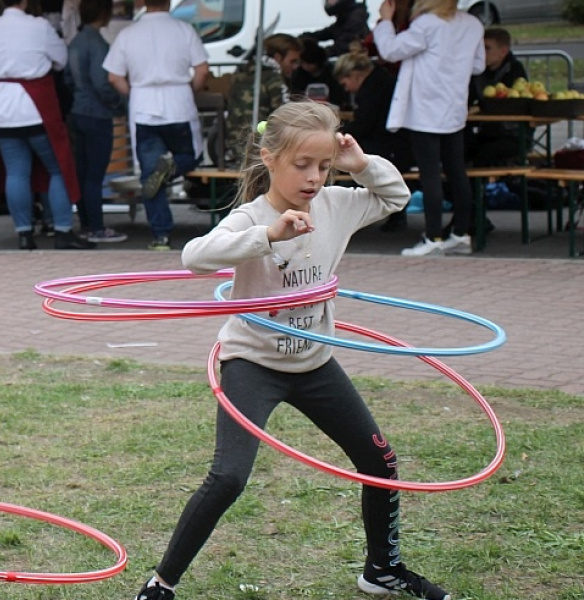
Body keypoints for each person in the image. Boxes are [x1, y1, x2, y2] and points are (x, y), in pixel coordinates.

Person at [137, 101, 455, 600]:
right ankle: (160, 584)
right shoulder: (250, 217)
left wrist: (360, 164)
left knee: (381, 462)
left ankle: (382, 569)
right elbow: (194, 256)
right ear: (269, 157)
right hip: (253, 363)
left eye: (324, 165)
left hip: (314, 363)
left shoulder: (337, 204)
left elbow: (396, 196)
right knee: (228, 478)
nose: (313, 177)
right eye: (301, 164)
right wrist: (267, 236)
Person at [372, 0, 483, 257]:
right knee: (457, 171)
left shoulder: (427, 24)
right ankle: (461, 233)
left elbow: (390, 50)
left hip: (424, 108)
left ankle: (433, 236)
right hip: (454, 106)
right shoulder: (473, 24)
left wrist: (386, 21)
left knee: (430, 173)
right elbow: (477, 65)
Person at [0, 0, 93, 250]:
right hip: (35, 106)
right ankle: (62, 230)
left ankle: (24, 233)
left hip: (1, 107)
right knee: (57, 168)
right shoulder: (40, 26)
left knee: (16, 171)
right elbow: (61, 59)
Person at [104, 0, 208, 251]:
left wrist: (134, 93)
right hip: (179, 102)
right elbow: (202, 70)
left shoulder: (128, 34)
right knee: (191, 156)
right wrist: (189, 91)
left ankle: (160, 235)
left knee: (150, 174)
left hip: (143, 107)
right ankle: (172, 167)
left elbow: (113, 76)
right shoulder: (184, 30)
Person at [66, 0, 127, 243]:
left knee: (81, 173)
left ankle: (85, 223)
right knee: (95, 175)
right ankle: (97, 227)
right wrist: (118, 104)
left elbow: (69, 79)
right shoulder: (98, 43)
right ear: (103, 12)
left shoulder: (76, 41)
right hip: (97, 114)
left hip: (77, 112)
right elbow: (103, 82)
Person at [334, 49, 415, 230]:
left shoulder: (373, 89)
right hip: (400, 144)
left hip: (392, 147)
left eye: (345, 82)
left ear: (354, 75)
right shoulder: (382, 81)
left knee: (347, 160)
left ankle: (346, 216)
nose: (346, 88)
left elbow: (363, 125)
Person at [225, 33, 301, 166]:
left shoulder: (242, 72)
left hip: (235, 147)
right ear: (277, 57)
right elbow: (286, 117)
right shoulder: (274, 79)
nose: (295, 67)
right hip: (261, 149)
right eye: (292, 61)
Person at [466, 27, 527, 168]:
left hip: (511, 133)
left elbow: (509, 103)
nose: (481, 54)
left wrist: (480, 107)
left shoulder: (514, 70)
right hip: (484, 131)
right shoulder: (478, 71)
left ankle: (481, 187)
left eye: (487, 49)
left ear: (503, 52)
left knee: (486, 154)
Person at [290, 37, 348, 109]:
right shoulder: (298, 74)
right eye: (302, 63)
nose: (305, 66)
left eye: (309, 63)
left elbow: (339, 96)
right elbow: (295, 95)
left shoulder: (331, 72)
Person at [303, 0, 371, 57]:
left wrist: (314, 54)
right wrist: (300, 40)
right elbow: (323, 34)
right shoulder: (343, 19)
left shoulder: (355, 19)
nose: (328, 1)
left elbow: (341, 48)